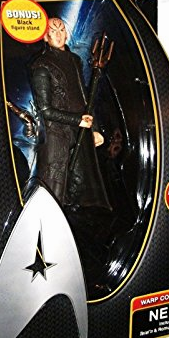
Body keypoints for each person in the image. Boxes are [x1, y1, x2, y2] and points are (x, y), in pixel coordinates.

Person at [29, 17, 111, 210]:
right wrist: (77, 120)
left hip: (80, 131)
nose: (58, 35)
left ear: (66, 34)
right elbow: (45, 110)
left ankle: (79, 220)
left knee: (83, 187)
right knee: (54, 188)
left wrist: (94, 128)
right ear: (45, 37)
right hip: (57, 134)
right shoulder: (41, 65)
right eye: (53, 31)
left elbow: (83, 98)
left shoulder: (75, 60)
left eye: (61, 30)